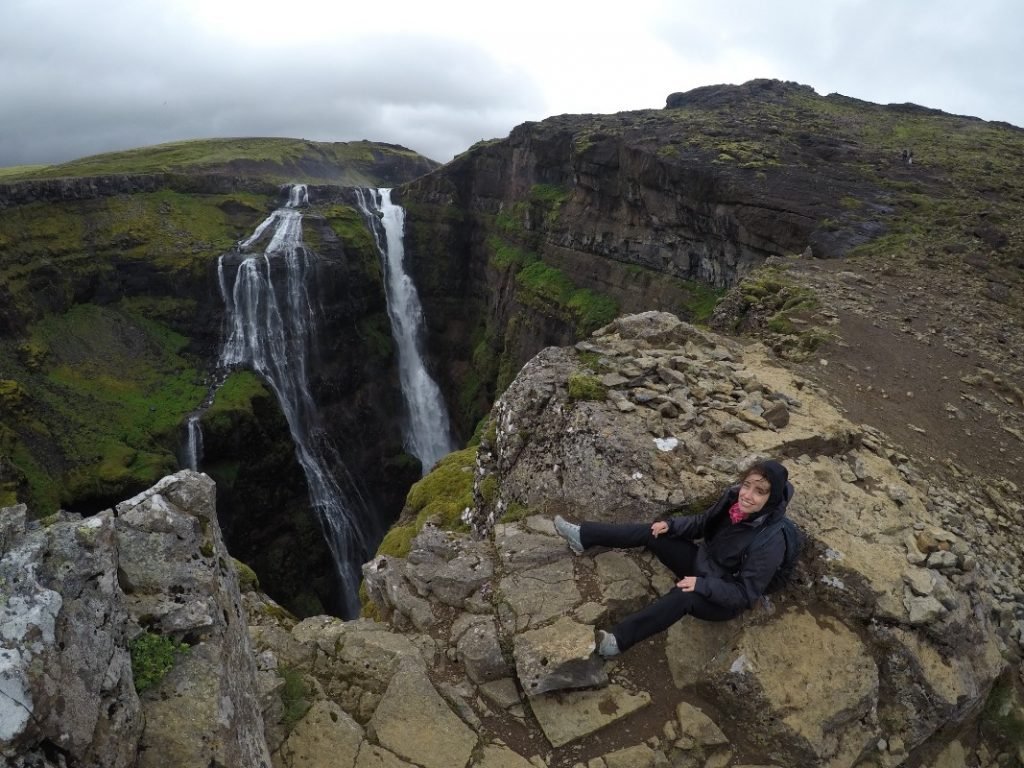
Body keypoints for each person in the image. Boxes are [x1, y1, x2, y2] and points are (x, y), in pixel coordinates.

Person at [553, 459, 793, 657]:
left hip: (723, 597)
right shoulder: (734, 500)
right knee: (655, 532)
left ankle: (617, 642)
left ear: (770, 499)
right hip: (704, 563)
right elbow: (701, 523)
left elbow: (744, 594)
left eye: (759, 491)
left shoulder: (771, 540)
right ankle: (584, 536)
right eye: (747, 485)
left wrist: (702, 585)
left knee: (683, 596)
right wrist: (671, 525)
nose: (748, 495)